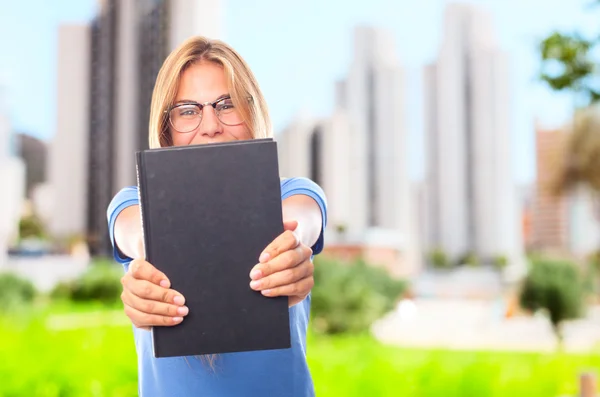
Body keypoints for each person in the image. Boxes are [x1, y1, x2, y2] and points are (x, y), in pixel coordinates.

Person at [106, 36, 327, 396]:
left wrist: (291, 245)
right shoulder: (134, 202)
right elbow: (132, 230)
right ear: (167, 128)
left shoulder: (292, 192)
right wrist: (148, 251)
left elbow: (301, 219)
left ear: (252, 111)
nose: (210, 125)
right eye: (188, 110)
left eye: (227, 105)